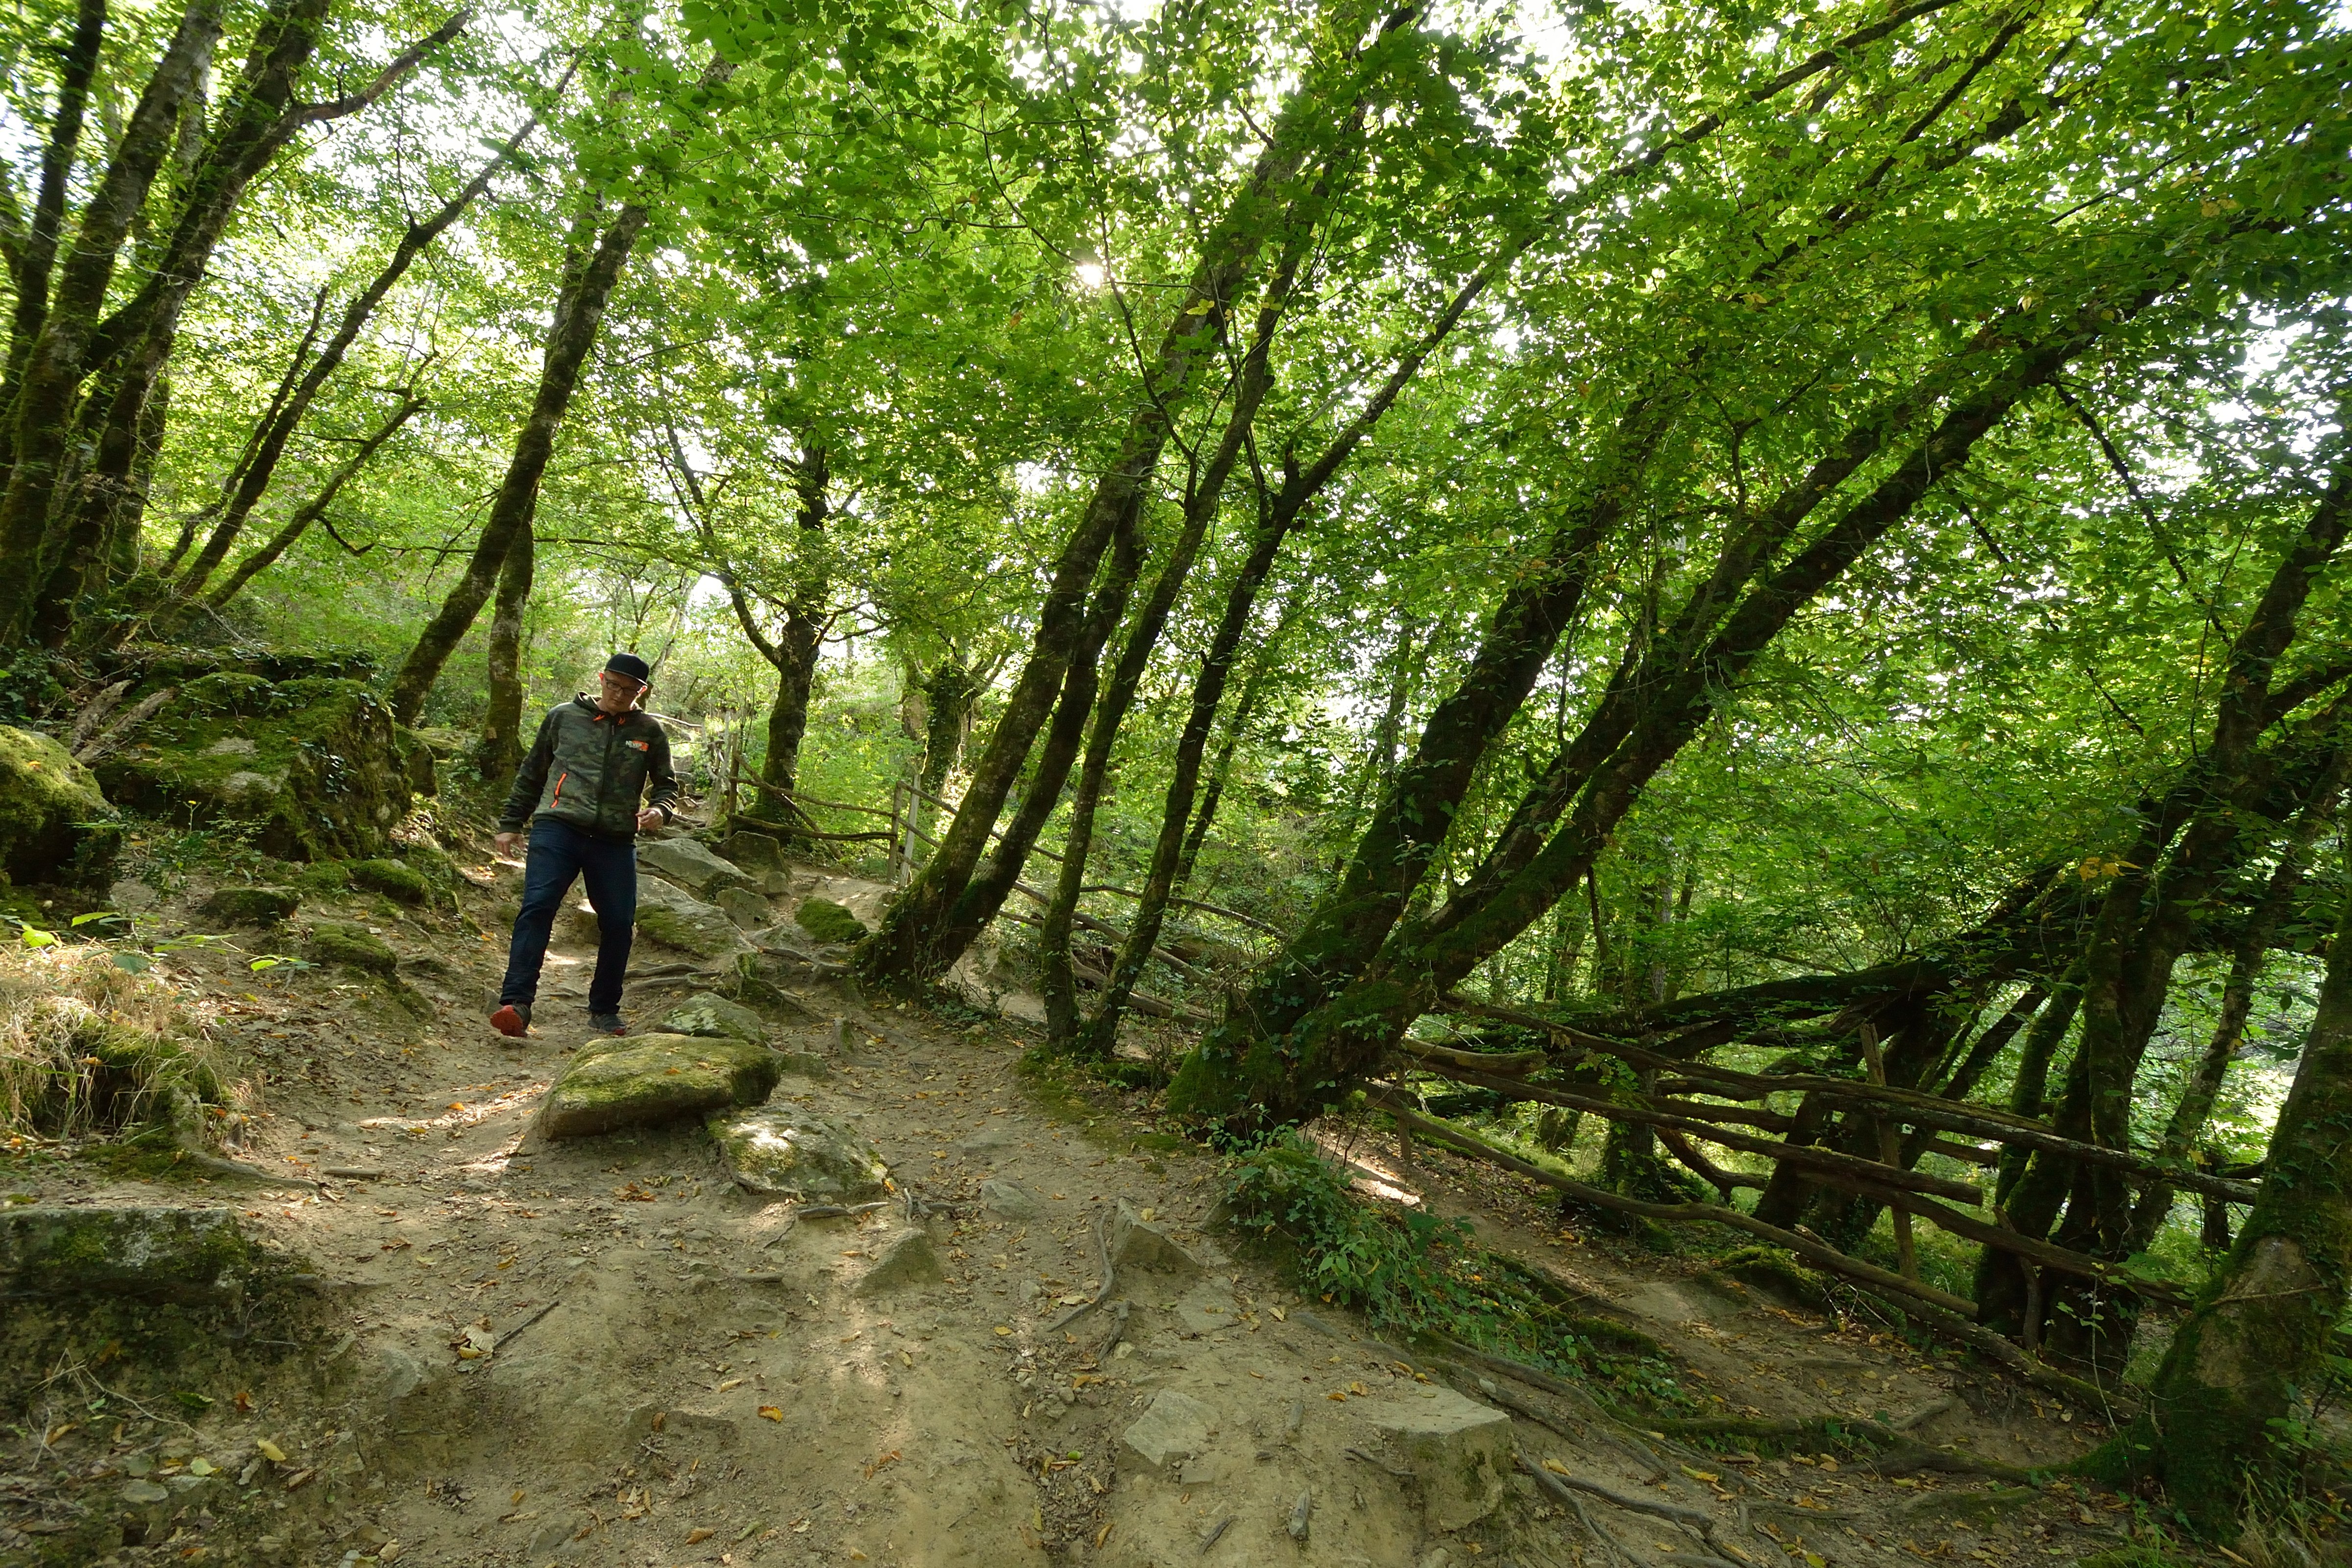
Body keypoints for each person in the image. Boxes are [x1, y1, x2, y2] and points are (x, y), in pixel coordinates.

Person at [490, 653, 678, 1038]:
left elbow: (667, 786)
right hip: (558, 826)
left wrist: (661, 810)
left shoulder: (649, 731)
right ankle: (517, 1004)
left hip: (614, 838)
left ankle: (604, 1009)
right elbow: (532, 772)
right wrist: (511, 823)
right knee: (538, 907)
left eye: (628, 690)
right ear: (601, 679)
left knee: (619, 923)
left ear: (642, 692)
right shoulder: (563, 717)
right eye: (612, 684)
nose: (618, 694)